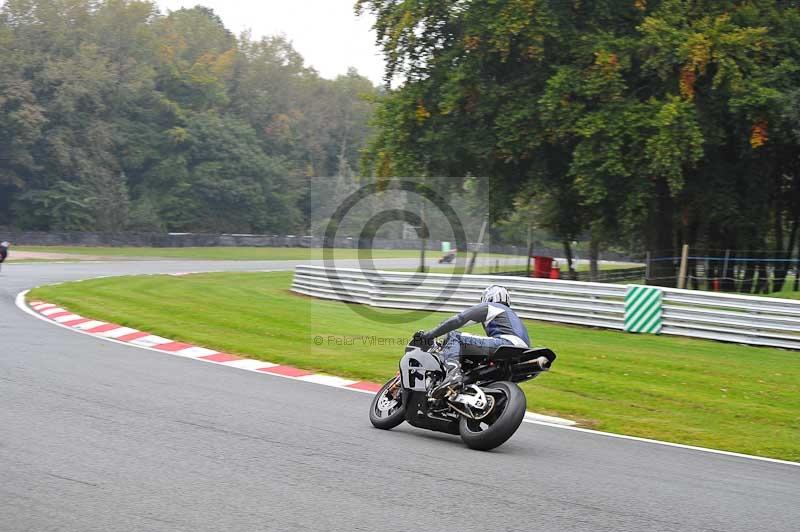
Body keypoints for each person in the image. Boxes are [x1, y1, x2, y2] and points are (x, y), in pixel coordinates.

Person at [415, 284, 531, 399]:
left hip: (506, 344)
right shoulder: (512, 317)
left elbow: (459, 319)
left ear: (488, 297)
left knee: (454, 336)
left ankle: (453, 374)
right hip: (523, 353)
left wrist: (429, 335)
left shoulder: (491, 307)